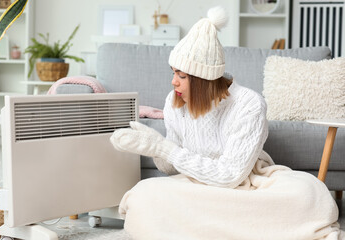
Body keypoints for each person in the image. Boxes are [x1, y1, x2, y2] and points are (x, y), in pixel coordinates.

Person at [110, 6, 344, 240]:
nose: (174, 82)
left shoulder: (249, 103)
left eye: (182, 76)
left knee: (309, 194)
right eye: (173, 73)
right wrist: (153, 146)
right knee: (144, 194)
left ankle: (202, 226)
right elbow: (170, 167)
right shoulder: (174, 102)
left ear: (203, 80)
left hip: (246, 184)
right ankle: (245, 227)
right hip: (196, 184)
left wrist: (163, 148)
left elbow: (231, 176)